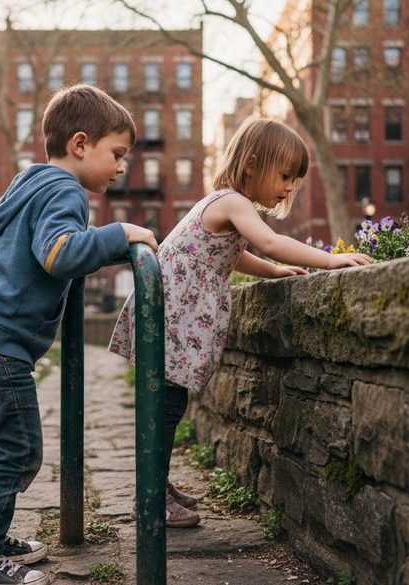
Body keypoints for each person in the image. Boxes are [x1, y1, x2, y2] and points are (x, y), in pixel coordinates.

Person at [0, 84, 158, 585]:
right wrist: (118, 234)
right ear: (80, 145)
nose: (122, 166)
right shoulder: (64, 191)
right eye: (117, 154)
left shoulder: (30, 183)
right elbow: (58, 253)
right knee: (18, 450)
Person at [108, 118, 372, 527]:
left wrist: (272, 271)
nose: (288, 188)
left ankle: (155, 484)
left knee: (166, 404)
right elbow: (267, 240)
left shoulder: (224, 203)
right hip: (173, 320)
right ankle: (150, 499)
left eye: (294, 180)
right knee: (168, 406)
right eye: (285, 176)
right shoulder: (233, 201)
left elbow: (233, 254)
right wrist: (331, 259)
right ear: (252, 163)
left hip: (171, 317)